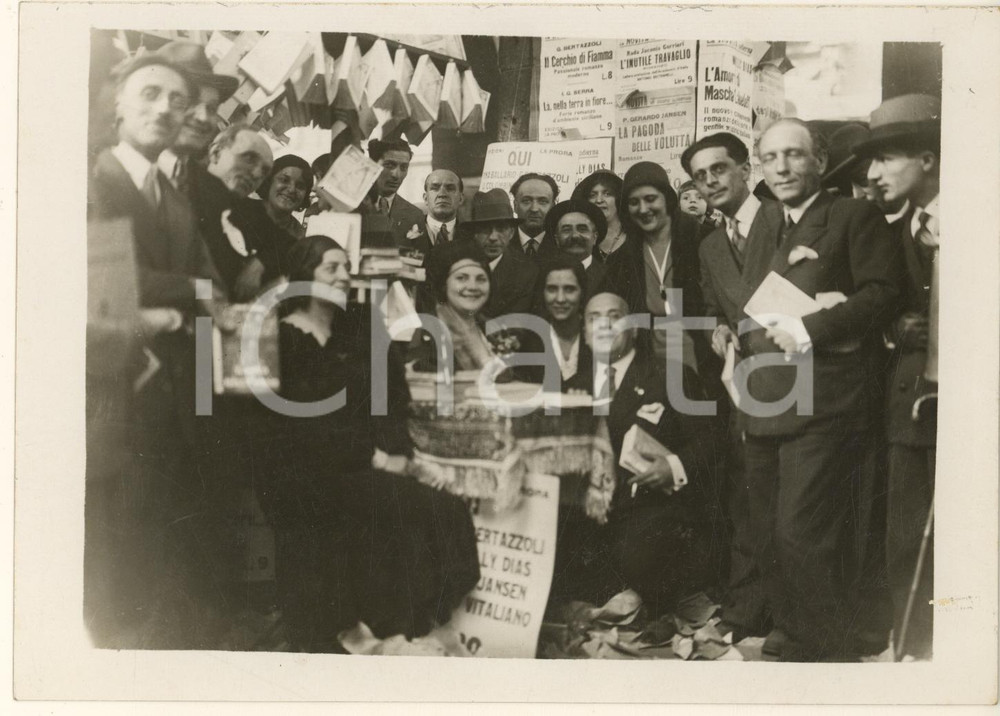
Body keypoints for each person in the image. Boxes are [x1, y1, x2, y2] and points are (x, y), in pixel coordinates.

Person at [263, 235, 480, 649]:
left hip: (368, 461)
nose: (344, 276)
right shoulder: (284, 339)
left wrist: (399, 454)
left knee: (445, 509)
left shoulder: (361, 322)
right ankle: (374, 630)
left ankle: (408, 627)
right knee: (405, 511)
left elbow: (392, 397)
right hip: (314, 474)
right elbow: (302, 429)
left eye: (346, 267)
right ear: (304, 277)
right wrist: (377, 459)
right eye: (332, 268)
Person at [738, 118, 902, 661]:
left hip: (826, 396)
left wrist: (812, 326)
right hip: (764, 395)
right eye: (770, 158)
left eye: (794, 155)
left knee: (801, 531)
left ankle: (831, 647)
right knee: (766, 529)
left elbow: (883, 292)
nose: (782, 168)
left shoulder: (853, 215)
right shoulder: (766, 222)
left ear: (819, 159)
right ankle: (797, 628)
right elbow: (752, 302)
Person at [88, 51, 230, 646]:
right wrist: (191, 294)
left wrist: (193, 295)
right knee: (111, 545)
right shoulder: (94, 179)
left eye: (178, 100)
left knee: (160, 535)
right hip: (114, 388)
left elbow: (210, 279)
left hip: (175, 392)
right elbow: (106, 282)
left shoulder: (172, 193)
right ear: (116, 102)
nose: (166, 109)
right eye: (150, 94)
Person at [855, 94, 941, 660]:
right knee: (907, 527)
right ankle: (915, 649)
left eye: (886, 159)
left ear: (927, 158)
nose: (872, 173)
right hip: (914, 401)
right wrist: (899, 331)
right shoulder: (905, 226)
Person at [682, 130, 769, 642]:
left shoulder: (783, 223)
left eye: (718, 169)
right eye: (699, 175)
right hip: (744, 386)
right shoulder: (712, 243)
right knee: (746, 494)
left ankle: (783, 610)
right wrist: (716, 325)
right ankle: (746, 609)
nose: (710, 181)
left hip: (798, 380)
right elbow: (716, 304)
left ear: (745, 170)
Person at [580, 292, 715, 617]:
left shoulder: (671, 375)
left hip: (652, 509)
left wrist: (674, 466)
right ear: (584, 332)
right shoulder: (570, 385)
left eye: (615, 316)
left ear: (635, 328)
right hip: (590, 511)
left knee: (640, 556)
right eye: (594, 318)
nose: (604, 325)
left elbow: (712, 439)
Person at [599, 161, 709, 376]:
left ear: (667, 200)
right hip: (648, 367)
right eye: (633, 202)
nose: (643, 209)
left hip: (701, 362)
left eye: (650, 199)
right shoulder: (622, 258)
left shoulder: (701, 241)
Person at [154, 40, 239, 192]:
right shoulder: (111, 171)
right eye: (191, 101)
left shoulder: (199, 188)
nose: (203, 117)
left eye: (212, 108)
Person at [410, 239, 499, 374]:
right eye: (461, 278)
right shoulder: (422, 333)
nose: (472, 287)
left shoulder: (492, 330)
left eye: (481, 279)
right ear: (443, 285)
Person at [457, 188, 538, 320]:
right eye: (485, 229)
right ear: (475, 234)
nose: (493, 237)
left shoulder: (527, 271)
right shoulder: (457, 265)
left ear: (511, 233)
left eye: (501, 228)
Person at [514, 256, 592, 390]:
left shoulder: (597, 338)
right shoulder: (528, 342)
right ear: (542, 293)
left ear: (582, 293)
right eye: (552, 289)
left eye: (569, 289)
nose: (560, 299)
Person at [368, 138, 425, 246]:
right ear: (372, 164)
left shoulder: (415, 215)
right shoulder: (353, 205)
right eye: (389, 165)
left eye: (404, 167)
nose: (396, 175)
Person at [402, 169, 465, 256]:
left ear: (461, 199)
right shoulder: (404, 233)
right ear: (425, 198)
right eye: (435, 188)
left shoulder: (472, 237)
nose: (442, 194)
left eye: (450, 188)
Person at [547, 199, 608, 289]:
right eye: (567, 230)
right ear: (557, 239)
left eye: (582, 229)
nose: (575, 235)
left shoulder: (611, 276)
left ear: (594, 237)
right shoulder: (544, 274)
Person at [572, 170, 626, 260]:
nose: (599, 200)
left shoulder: (635, 236)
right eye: (592, 195)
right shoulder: (579, 238)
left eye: (607, 194)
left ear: (619, 199)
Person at [508, 172, 559, 261]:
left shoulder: (561, 243)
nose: (534, 209)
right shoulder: (503, 241)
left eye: (543, 201)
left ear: (553, 206)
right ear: (515, 206)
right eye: (526, 201)